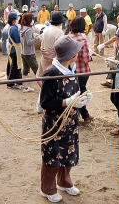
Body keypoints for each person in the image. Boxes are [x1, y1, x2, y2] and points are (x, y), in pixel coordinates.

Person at [40, 35, 92, 203]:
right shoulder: (52, 73)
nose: (78, 52)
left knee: (69, 152)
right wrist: (68, 102)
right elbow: (45, 103)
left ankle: (64, 181)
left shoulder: (72, 67)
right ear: (70, 55)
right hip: (55, 122)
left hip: (71, 121)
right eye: (76, 51)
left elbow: (75, 91)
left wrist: (81, 99)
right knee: (53, 155)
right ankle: (47, 188)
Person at [68, 17, 94, 123]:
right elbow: (86, 58)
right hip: (82, 70)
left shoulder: (67, 37)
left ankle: (83, 115)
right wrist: (90, 57)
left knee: (74, 92)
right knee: (81, 93)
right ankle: (83, 115)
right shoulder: (82, 39)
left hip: (70, 71)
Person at [99, 11, 119, 88]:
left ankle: (114, 82)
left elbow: (115, 38)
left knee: (116, 64)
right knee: (113, 63)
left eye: (118, 16)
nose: (117, 18)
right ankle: (109, 81)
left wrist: (104, 44)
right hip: (118, 48)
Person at [20, 13, 40, 93]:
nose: (33, 21)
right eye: (32, 19)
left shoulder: (23, 28)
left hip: (23, 52)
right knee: (37, 70)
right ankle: (44, 88)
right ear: (29, 20)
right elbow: (29, 42)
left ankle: (26, 87)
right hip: (29, 53)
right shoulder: (29, 30)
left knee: (25, 70)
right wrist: (36, 38)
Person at [6, 12, 22, 89]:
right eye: (16, 18)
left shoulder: (10, 27)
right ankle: (10, 83)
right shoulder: (14, 28)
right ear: (13, 20)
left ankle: (16, 82)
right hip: (15, 50)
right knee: (15, 67)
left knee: (14, 66)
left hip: (12, 50)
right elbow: (18, 40)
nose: (17, 19)